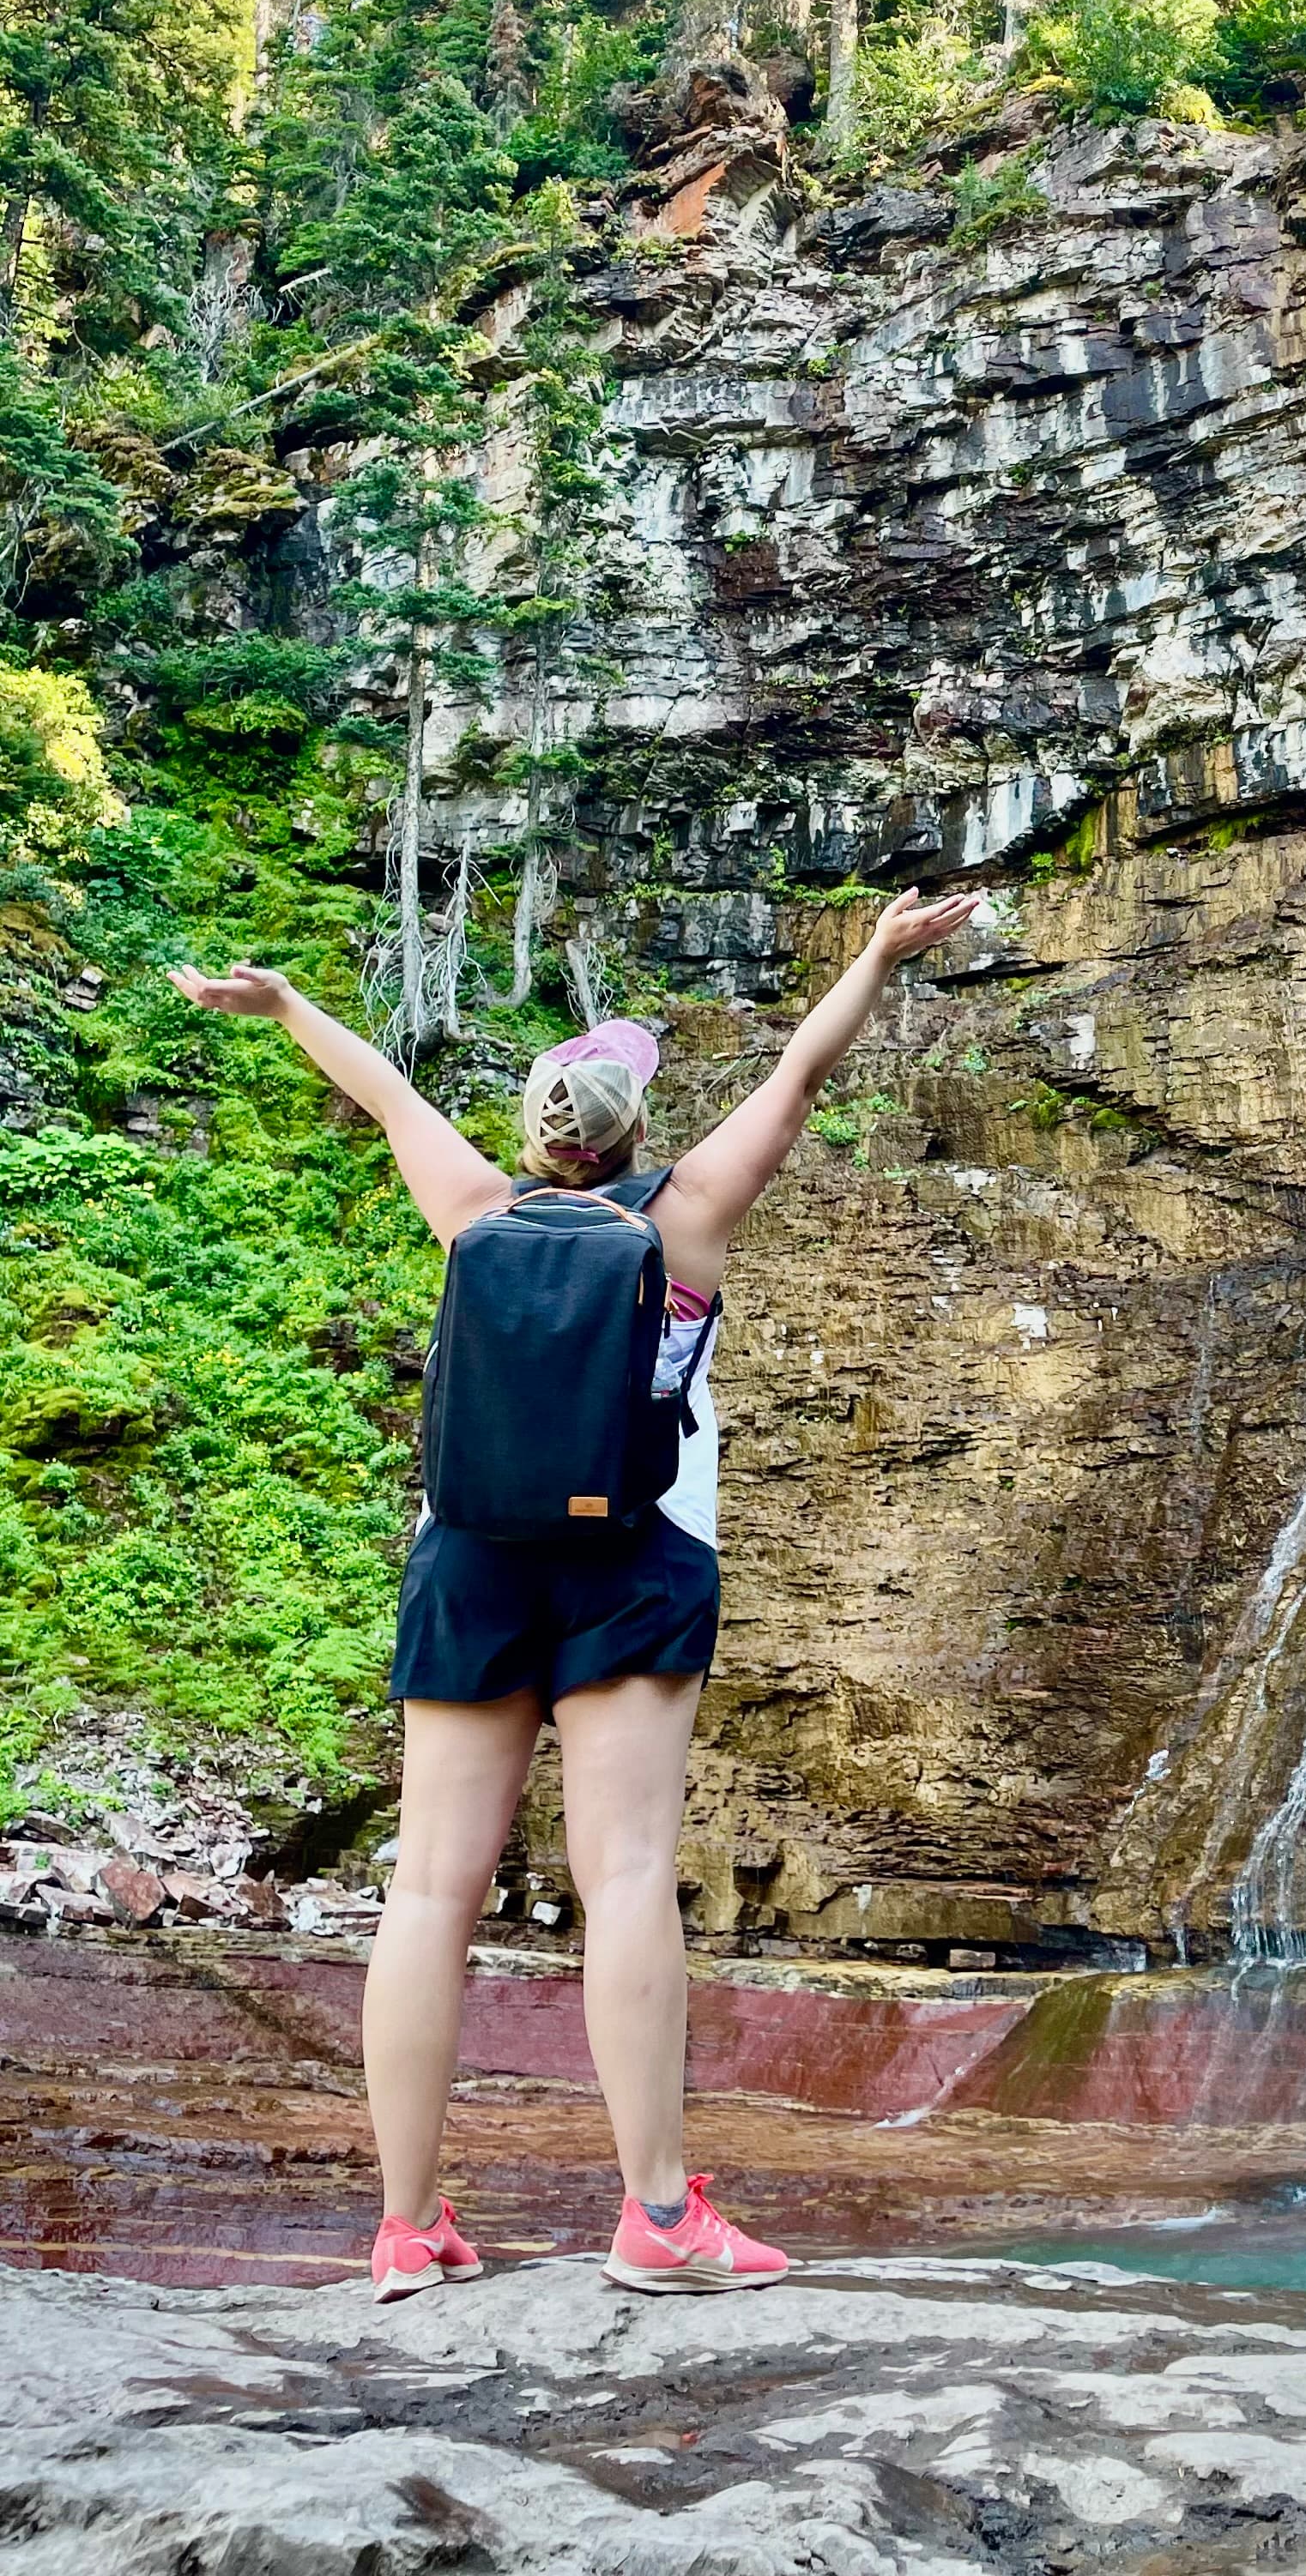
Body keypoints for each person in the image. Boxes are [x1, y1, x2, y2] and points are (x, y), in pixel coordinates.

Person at [170, 887, 980, 2297]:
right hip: (636, 1565)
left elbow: (385, 1091)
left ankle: (407, 2228)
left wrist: (288, 1005)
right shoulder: (692, 1215)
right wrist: (875, 955)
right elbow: (802, 1072)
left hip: (470, 1562)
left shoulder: (473, 1205)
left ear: (538, 1133)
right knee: (621, 1883)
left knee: (428, 1887)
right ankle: (659, 2220)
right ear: (633, 1137)